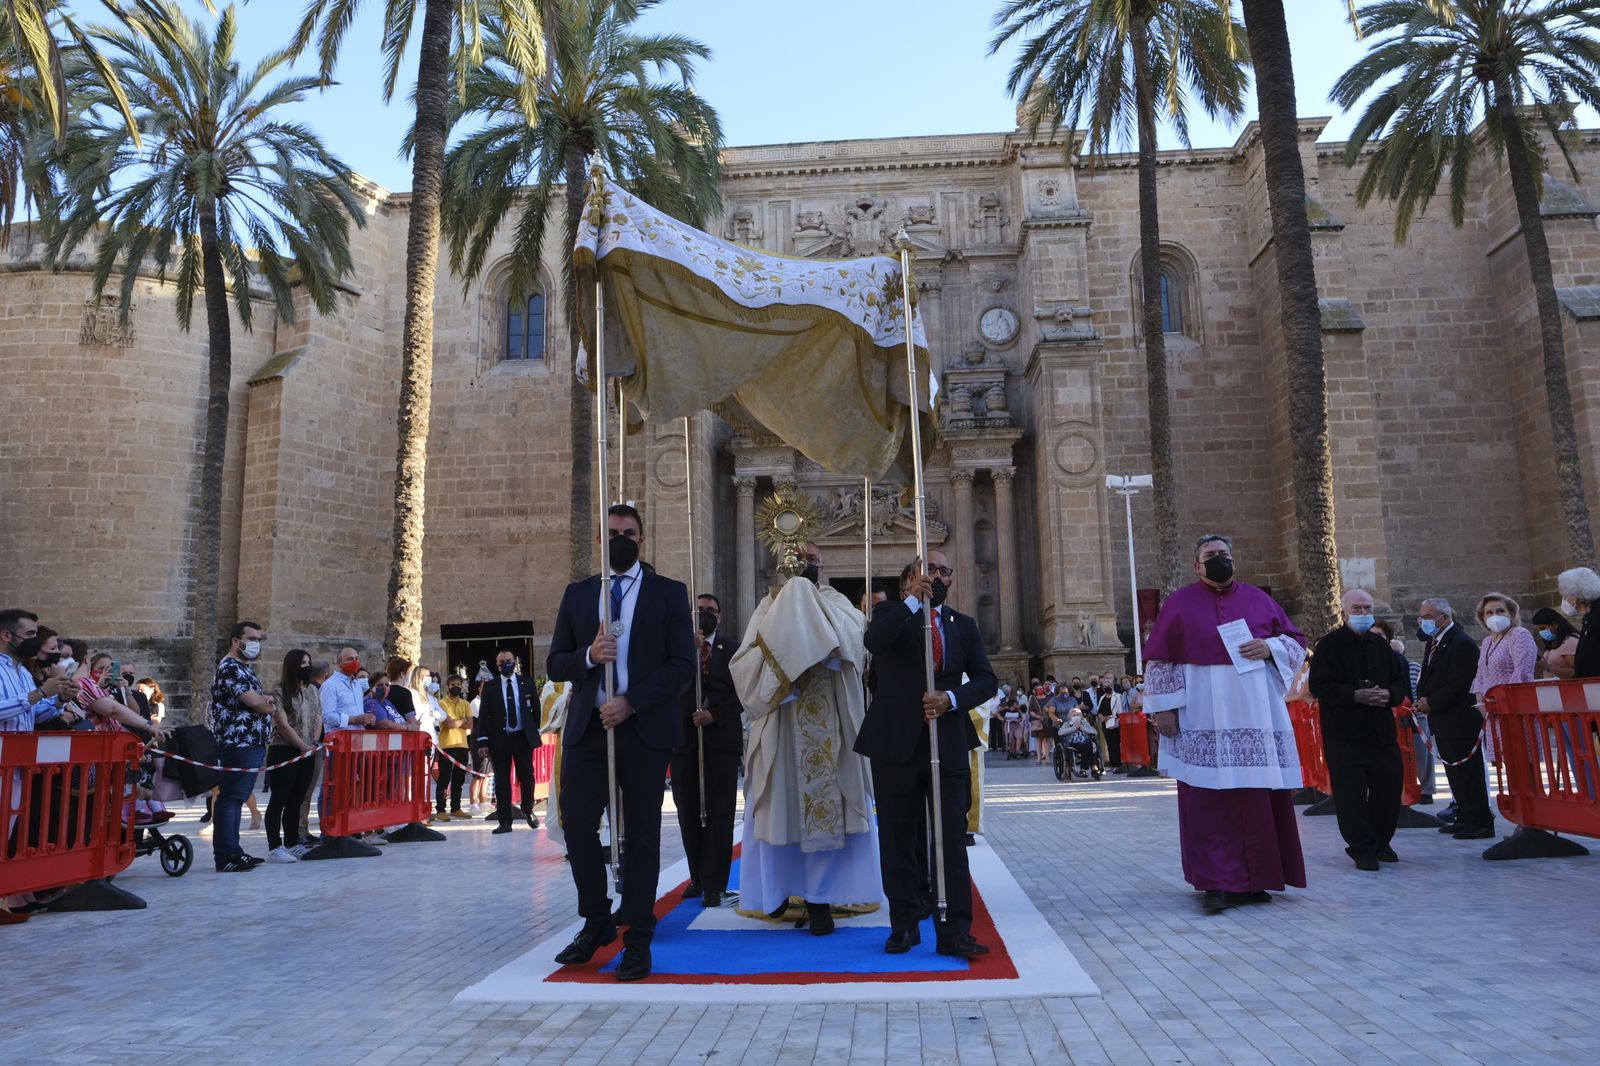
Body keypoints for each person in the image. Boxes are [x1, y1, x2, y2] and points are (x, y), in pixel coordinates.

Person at [546, 504, 695, 982]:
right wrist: (589, 655)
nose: (621, 539)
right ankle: (596, 918)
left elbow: (681, 665)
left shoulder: (668, 594)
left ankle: (637, 935)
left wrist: (631, 702)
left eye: (629, 533)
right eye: (613, 533)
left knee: (642, 835)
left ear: (642, 539)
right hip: (590, 730)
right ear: (599, 538)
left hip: (642, 728)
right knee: (579, 825)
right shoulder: (579, 595)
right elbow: (555, 663)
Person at [1145, 535, 1308, 913]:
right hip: (1202, 709)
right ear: (1196, 566)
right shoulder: (1180, 603)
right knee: (1208, 798)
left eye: (1225, 555)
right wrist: (1164, 708)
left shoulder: (1258, 599)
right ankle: (1217, 882)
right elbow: (1159, 659)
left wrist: (1270, 647)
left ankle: (1257, 879)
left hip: (1256, 711)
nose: (1220, 560)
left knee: (1257, 795)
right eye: (1210, 556)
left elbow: (1296, 641)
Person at [857, 549, 997, 958]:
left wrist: (952, 698)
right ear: (909, 580)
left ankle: (954, 930)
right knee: (899, 836)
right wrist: (912, 602)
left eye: (943, 571)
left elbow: (987, 679)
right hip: (894, 744)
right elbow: (876, 643)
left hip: (947, 741)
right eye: (928, 569)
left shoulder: (963, 626)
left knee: (950, 838)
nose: (937, 575)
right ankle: (903, 924)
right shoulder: (889, 616)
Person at [731, 543, 876, 934]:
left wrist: (816, 642)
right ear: (783, 565)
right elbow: (745, 662)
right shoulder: (767, 607)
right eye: (798, 560)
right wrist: (784, 665)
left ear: (821, 565)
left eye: (811, 561)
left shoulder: (837, 602)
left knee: (828, 814)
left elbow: (856, 641)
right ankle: (776, 892)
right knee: (779, 813)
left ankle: (821, 900)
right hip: (784, 717)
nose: (805, 566)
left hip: (829, 723)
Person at [1308, 590, 1409, 870]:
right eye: (1357, 608)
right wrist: (1356, 695)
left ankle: (1381, 841)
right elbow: (1320, 686)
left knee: (1387, 791)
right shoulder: (1329, 646)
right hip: (1345, 734)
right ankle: (1362, 848)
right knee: (1351, 795)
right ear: (1344, 613)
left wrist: (1388, 694)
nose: (1363, 613)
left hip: (1381, 733)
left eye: (1367, 608)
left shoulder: (1380, 645)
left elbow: (1400, 683)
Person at [671, 592, 744, 909]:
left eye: (710, 611)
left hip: (720, 741)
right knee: (688, 812)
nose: (705, 615)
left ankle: (715, 883)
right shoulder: (679, 648)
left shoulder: (734, 650)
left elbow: (744, 693)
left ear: (720, 615)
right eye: (699, 610)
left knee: (720, 814)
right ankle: (697, 877)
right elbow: (671, 685)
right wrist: (689, 648)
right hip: (685, 741)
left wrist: (715, 714)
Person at [1416, 597, 1491, 840]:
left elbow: (1460, 684)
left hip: (1460, 719)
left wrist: (1431, 702)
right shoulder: (1436, 641)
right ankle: (1465, 816)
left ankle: (1480, 820)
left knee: (1468, 773)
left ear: (1444, 617)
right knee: (1455, 773)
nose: (1423, 622)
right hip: (1443, 719)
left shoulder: (1461, 643)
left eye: (1428, 617)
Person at [208, 621, 277, 873]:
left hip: (251, 742)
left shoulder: (242, 668)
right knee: (231, 798)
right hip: (239, 742)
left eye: (259, 639)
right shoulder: (231, 668)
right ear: (236, 641)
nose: (256, 644)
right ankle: (226, 855)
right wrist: (268, 704)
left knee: (235, 798)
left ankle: (234, 851)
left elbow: (262, 699)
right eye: (252, 638)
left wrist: (265, 701)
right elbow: (257, 703)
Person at [473, 648, 541, 833]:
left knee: (527, 776)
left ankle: (528, 809)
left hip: (522, 737)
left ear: (515, 661)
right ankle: (504, 821)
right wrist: (483, 742)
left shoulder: (526, 682)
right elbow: (484, 715)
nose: (506, 664)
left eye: (509, 660)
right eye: (502, 662)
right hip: (500, 739)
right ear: (497, 666)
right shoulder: (491, 686)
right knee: (502, 780)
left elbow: (536, 707)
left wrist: (534, 729)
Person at [265, 651, 319, 862]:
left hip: (308, 749)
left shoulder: (313, 690)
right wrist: (302, 746)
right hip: (284, 749)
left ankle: (292, 841)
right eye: (302, 663)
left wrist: (312, 744)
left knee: (297, 799)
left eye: (309, 662)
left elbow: (318, 717)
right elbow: (283, 725)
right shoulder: (279, 692)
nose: (306, 666)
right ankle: (274, 846)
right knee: (279, 798)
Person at [0, 609, 72, 731]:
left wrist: (61, 699)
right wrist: (40, 693)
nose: (35, 640)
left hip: (23, 747)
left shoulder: (24, 672)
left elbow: (34, 715)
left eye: (35, 634)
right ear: (6, 635)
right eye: (30, 634)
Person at [436, 676, 474, 819]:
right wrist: (464, 720)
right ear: (448, 686)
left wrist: (461, 722)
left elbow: (471, 725)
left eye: (458, 684)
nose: (456, 686)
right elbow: (449, 724)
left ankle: (456, 808)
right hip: (447, 746)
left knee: (459, 779)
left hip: (462, 745)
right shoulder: (442, 703)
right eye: (453, 684)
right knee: (444, 778)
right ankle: (440, 809)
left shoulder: (466, 703)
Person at [1556, 567, 1600, 678]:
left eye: (1564, 596)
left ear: (1575, 596)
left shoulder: (1597, 614)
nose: (1564, 601)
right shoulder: (1589, 617)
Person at [1531, 607, 1579, 680]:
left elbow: (1577, 672)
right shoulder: (1552, 644)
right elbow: (1548, 672)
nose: (1541, 632)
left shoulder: (1570, 642)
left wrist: (1549, 668)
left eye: (1543, 628)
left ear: (1555, 624)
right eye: (1538, 630)